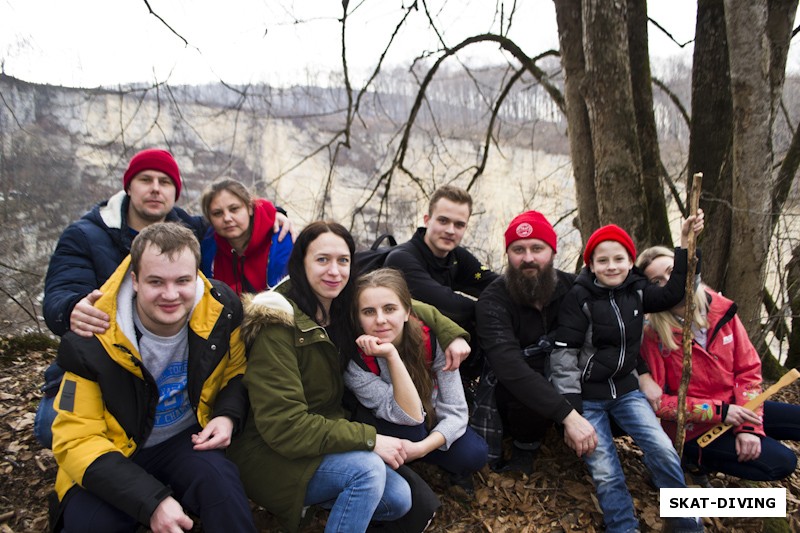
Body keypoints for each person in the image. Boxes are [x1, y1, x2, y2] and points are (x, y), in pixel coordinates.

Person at [37, 149, 292, 448]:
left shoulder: (189, 230)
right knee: (50, 427)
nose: (156, 188)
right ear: (129, 187)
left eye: (165, 182)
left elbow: (234, 215)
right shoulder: (87, 235)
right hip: (107, 362)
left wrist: (273, 215)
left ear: (175, 193)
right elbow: (60, 292)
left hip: (178, 360)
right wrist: (71, 308)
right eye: (146, 179)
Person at [228, 221, 469, 533]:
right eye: (322, 260)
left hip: (323, 436)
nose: (334, 271)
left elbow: (405, 303)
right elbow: (284, 426)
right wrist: (369, 440)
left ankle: (323, 502)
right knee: (368, 471)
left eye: (343, 261)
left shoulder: (342, 307)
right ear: (302, 263)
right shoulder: (277, 327)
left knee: (399, 499)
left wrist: (450, 332)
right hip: (271, 451)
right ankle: (314, 496)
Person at [50, 222, 255, 533]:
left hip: (183, 441)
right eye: (156, 281)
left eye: (182, 280)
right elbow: (75, 440)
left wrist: (227, 415)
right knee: (90, 525)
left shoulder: (221, 309)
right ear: (134, 280)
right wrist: (152, 501)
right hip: (112, 451)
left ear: (197, 275)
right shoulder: (93, 337)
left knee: (223, 491)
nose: (170, 295)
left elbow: (237, 371)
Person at [550, 222, 703, 533]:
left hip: (626, 391)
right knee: (605, 467)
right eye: (602, 260)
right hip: (589, 397)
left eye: (619, 259)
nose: (611, 266)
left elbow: (674, 291)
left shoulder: (637, 290)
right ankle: (622, 526)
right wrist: (572, 410)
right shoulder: (579, 298)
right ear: (590, 264)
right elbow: (563, 357)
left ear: (631, 261)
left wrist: (686, 245)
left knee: (662, 447)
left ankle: (684, 520)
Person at [637, 245, 800, 482]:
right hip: (694, 430)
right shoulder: (651, 335)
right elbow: (659, 403)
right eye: (657, 281)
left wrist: (748, 428)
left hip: (738, 406)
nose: (670, 282)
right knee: (783, 462)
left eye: (673, 271)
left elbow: (748, 370)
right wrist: (720, 413)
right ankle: (693, 464)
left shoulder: (722, 310)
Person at [473, 211, 597, 472]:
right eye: (518, 249)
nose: (528, 258)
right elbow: (508, 365)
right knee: (519, 384)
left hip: (571, 376)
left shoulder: (575, 289)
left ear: (553, 251)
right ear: (508, 254)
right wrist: (568, 416)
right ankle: (524, 447)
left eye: (537, 248)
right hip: (520, 390)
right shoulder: (493, 300)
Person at [344, 268, 488, 493]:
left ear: (406, 311)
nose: (380, 320)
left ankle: (420, 458)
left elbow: (456, 411)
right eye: (369, 312)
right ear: (358, 317)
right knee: (413, 429)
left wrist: (421, 449)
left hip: (426, 425)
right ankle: (396, 470)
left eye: (390, 309)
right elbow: (407, 416)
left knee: (475, 453)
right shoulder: (355, 362)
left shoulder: (431, 338)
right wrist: (391, 355)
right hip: (391, 426)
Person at [384, 185, 498, 374]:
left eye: (459, 224)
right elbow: (450, 305)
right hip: (402, 364)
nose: (450, 230)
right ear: (427, 220)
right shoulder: (401, 259)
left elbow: (497, 285)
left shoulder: (456, 256)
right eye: (443, 221)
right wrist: (493, 310)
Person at [199, 177, 293, 294]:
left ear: (249, 208)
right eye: (217, 213)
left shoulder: (280, 242)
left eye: (234, 209)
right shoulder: (209, 248)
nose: (227, 218)